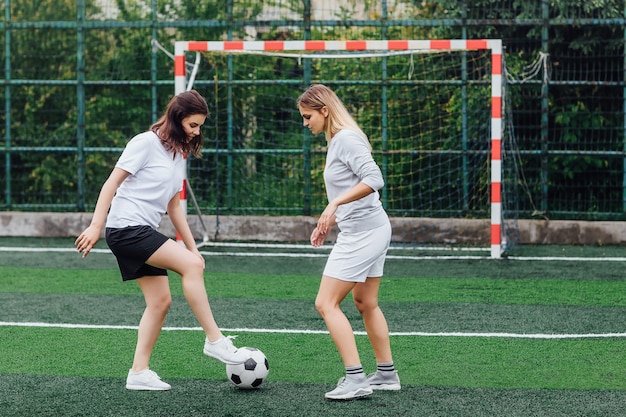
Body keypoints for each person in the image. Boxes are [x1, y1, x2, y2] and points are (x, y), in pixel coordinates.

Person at [75, 90, 248, 391]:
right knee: (189, 269)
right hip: (126, 229)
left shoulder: (177, 153)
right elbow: (111, 183)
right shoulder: (144, 143)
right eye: (193, 125)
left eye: (200, 126)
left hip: (140, 230)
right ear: (177, 118)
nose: (197, 132)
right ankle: (215, 341)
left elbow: (173, 206)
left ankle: (138, 373)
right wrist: (94, 225)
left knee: (160, 301)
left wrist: (194, 249)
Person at [296, 84, 401, 400]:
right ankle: (386, 374)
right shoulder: (338, 140)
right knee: (365, 302)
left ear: (324, 111)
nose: (305, 123)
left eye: (307, 116)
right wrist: (331, 218)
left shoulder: (345, 139)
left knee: (325, 303)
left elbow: (375, 179)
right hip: (368, 229)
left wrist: (334, 205)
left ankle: (355, 379)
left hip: (364, 234)